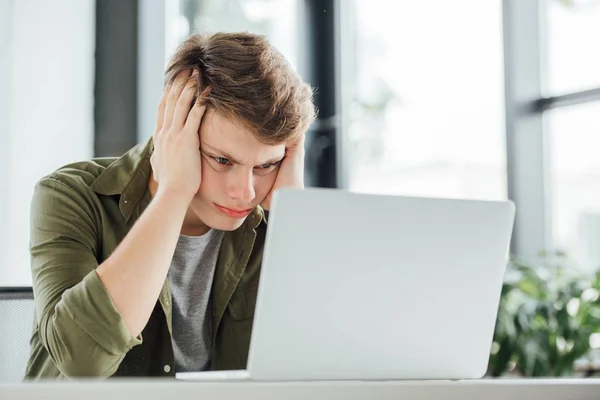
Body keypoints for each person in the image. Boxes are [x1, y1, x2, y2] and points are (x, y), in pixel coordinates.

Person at [24, 32, 316, 379]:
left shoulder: (273, 217)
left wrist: (294, 217)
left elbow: (324, 367)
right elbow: (83, 363)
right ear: (173, 128)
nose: (245, 191)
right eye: (222, 160)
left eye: (265, 165)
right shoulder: (70, 196)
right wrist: (173, 193)